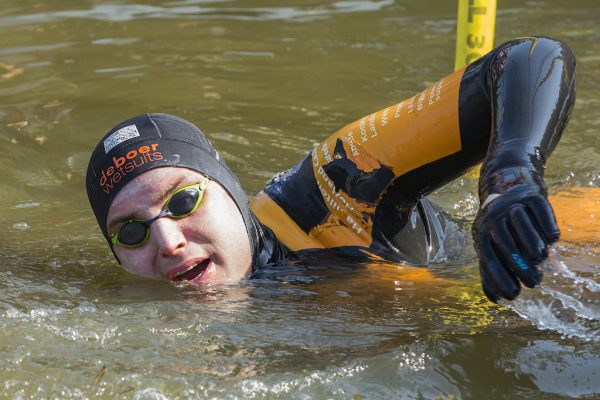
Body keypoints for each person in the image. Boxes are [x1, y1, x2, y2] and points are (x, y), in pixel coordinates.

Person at [86, 36, 576, 303]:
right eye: (130, 232)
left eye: (183, 200)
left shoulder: (334, 189)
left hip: (563, 245)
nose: (166, 241)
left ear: (229, 192)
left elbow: (530, 57)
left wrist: (509, 176)